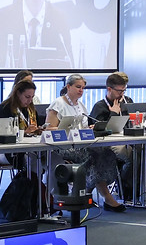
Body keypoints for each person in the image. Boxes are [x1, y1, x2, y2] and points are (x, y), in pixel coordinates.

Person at [47, 75, 124, 211]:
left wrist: (89, 128)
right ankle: (106, 197)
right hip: (64, 146)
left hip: (81, 144)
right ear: (68, 86)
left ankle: (87, 192)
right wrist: (68, 129)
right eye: (78, 87)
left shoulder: (81, 105)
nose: (81, 90)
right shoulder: (58, 104)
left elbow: (83, 127)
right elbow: (49, 129)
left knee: (107, 153)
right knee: (94, 156)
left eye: (83, 88)